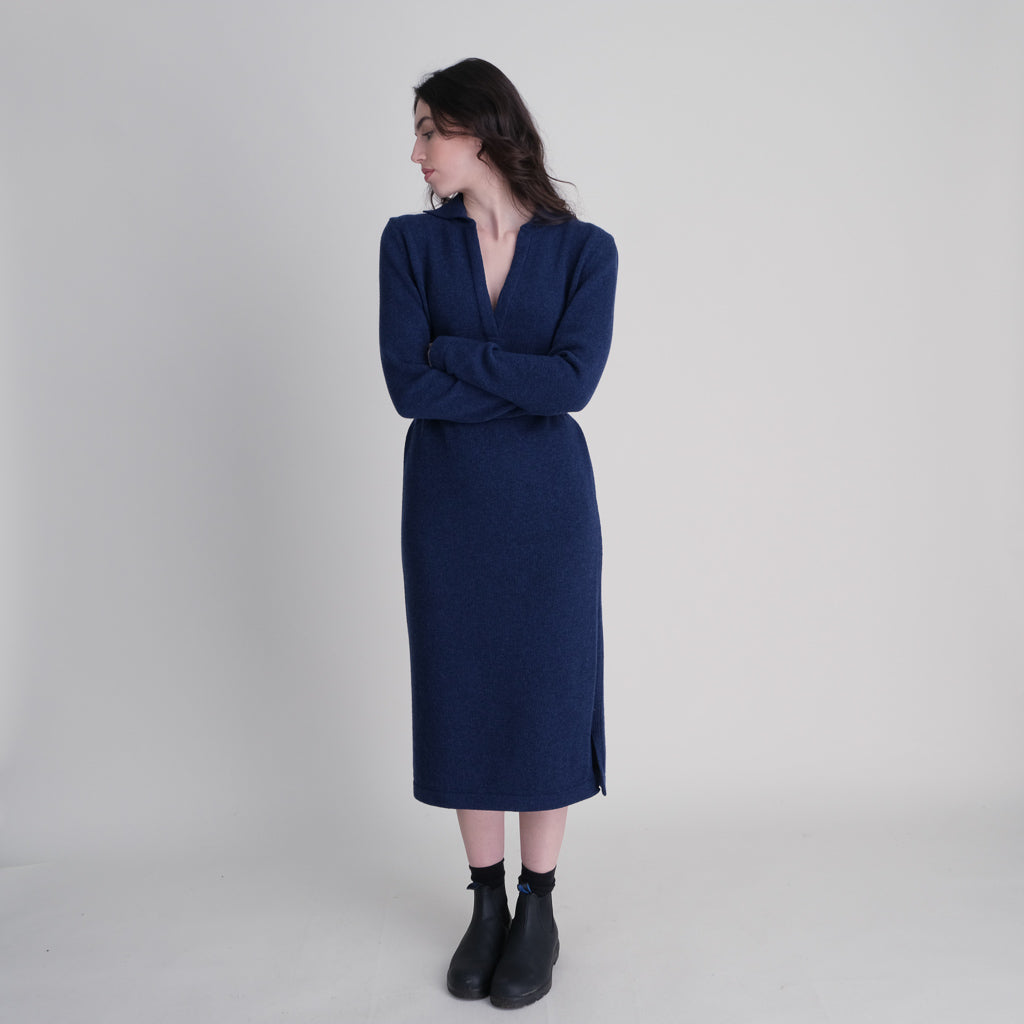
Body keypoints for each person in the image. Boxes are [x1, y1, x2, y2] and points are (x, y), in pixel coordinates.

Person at [378, 57, 617, 1010]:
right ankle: (484, 902)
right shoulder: (408, 243)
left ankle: (538, 904)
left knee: (547, 692)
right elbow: (408, 387)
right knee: (465, 690)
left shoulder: (585, 251)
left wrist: (458, 354)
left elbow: (574, 385)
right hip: (447, 507)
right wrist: (515, 376)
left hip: (548, 511)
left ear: (481, 131)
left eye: (430, 129)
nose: (417, 151)